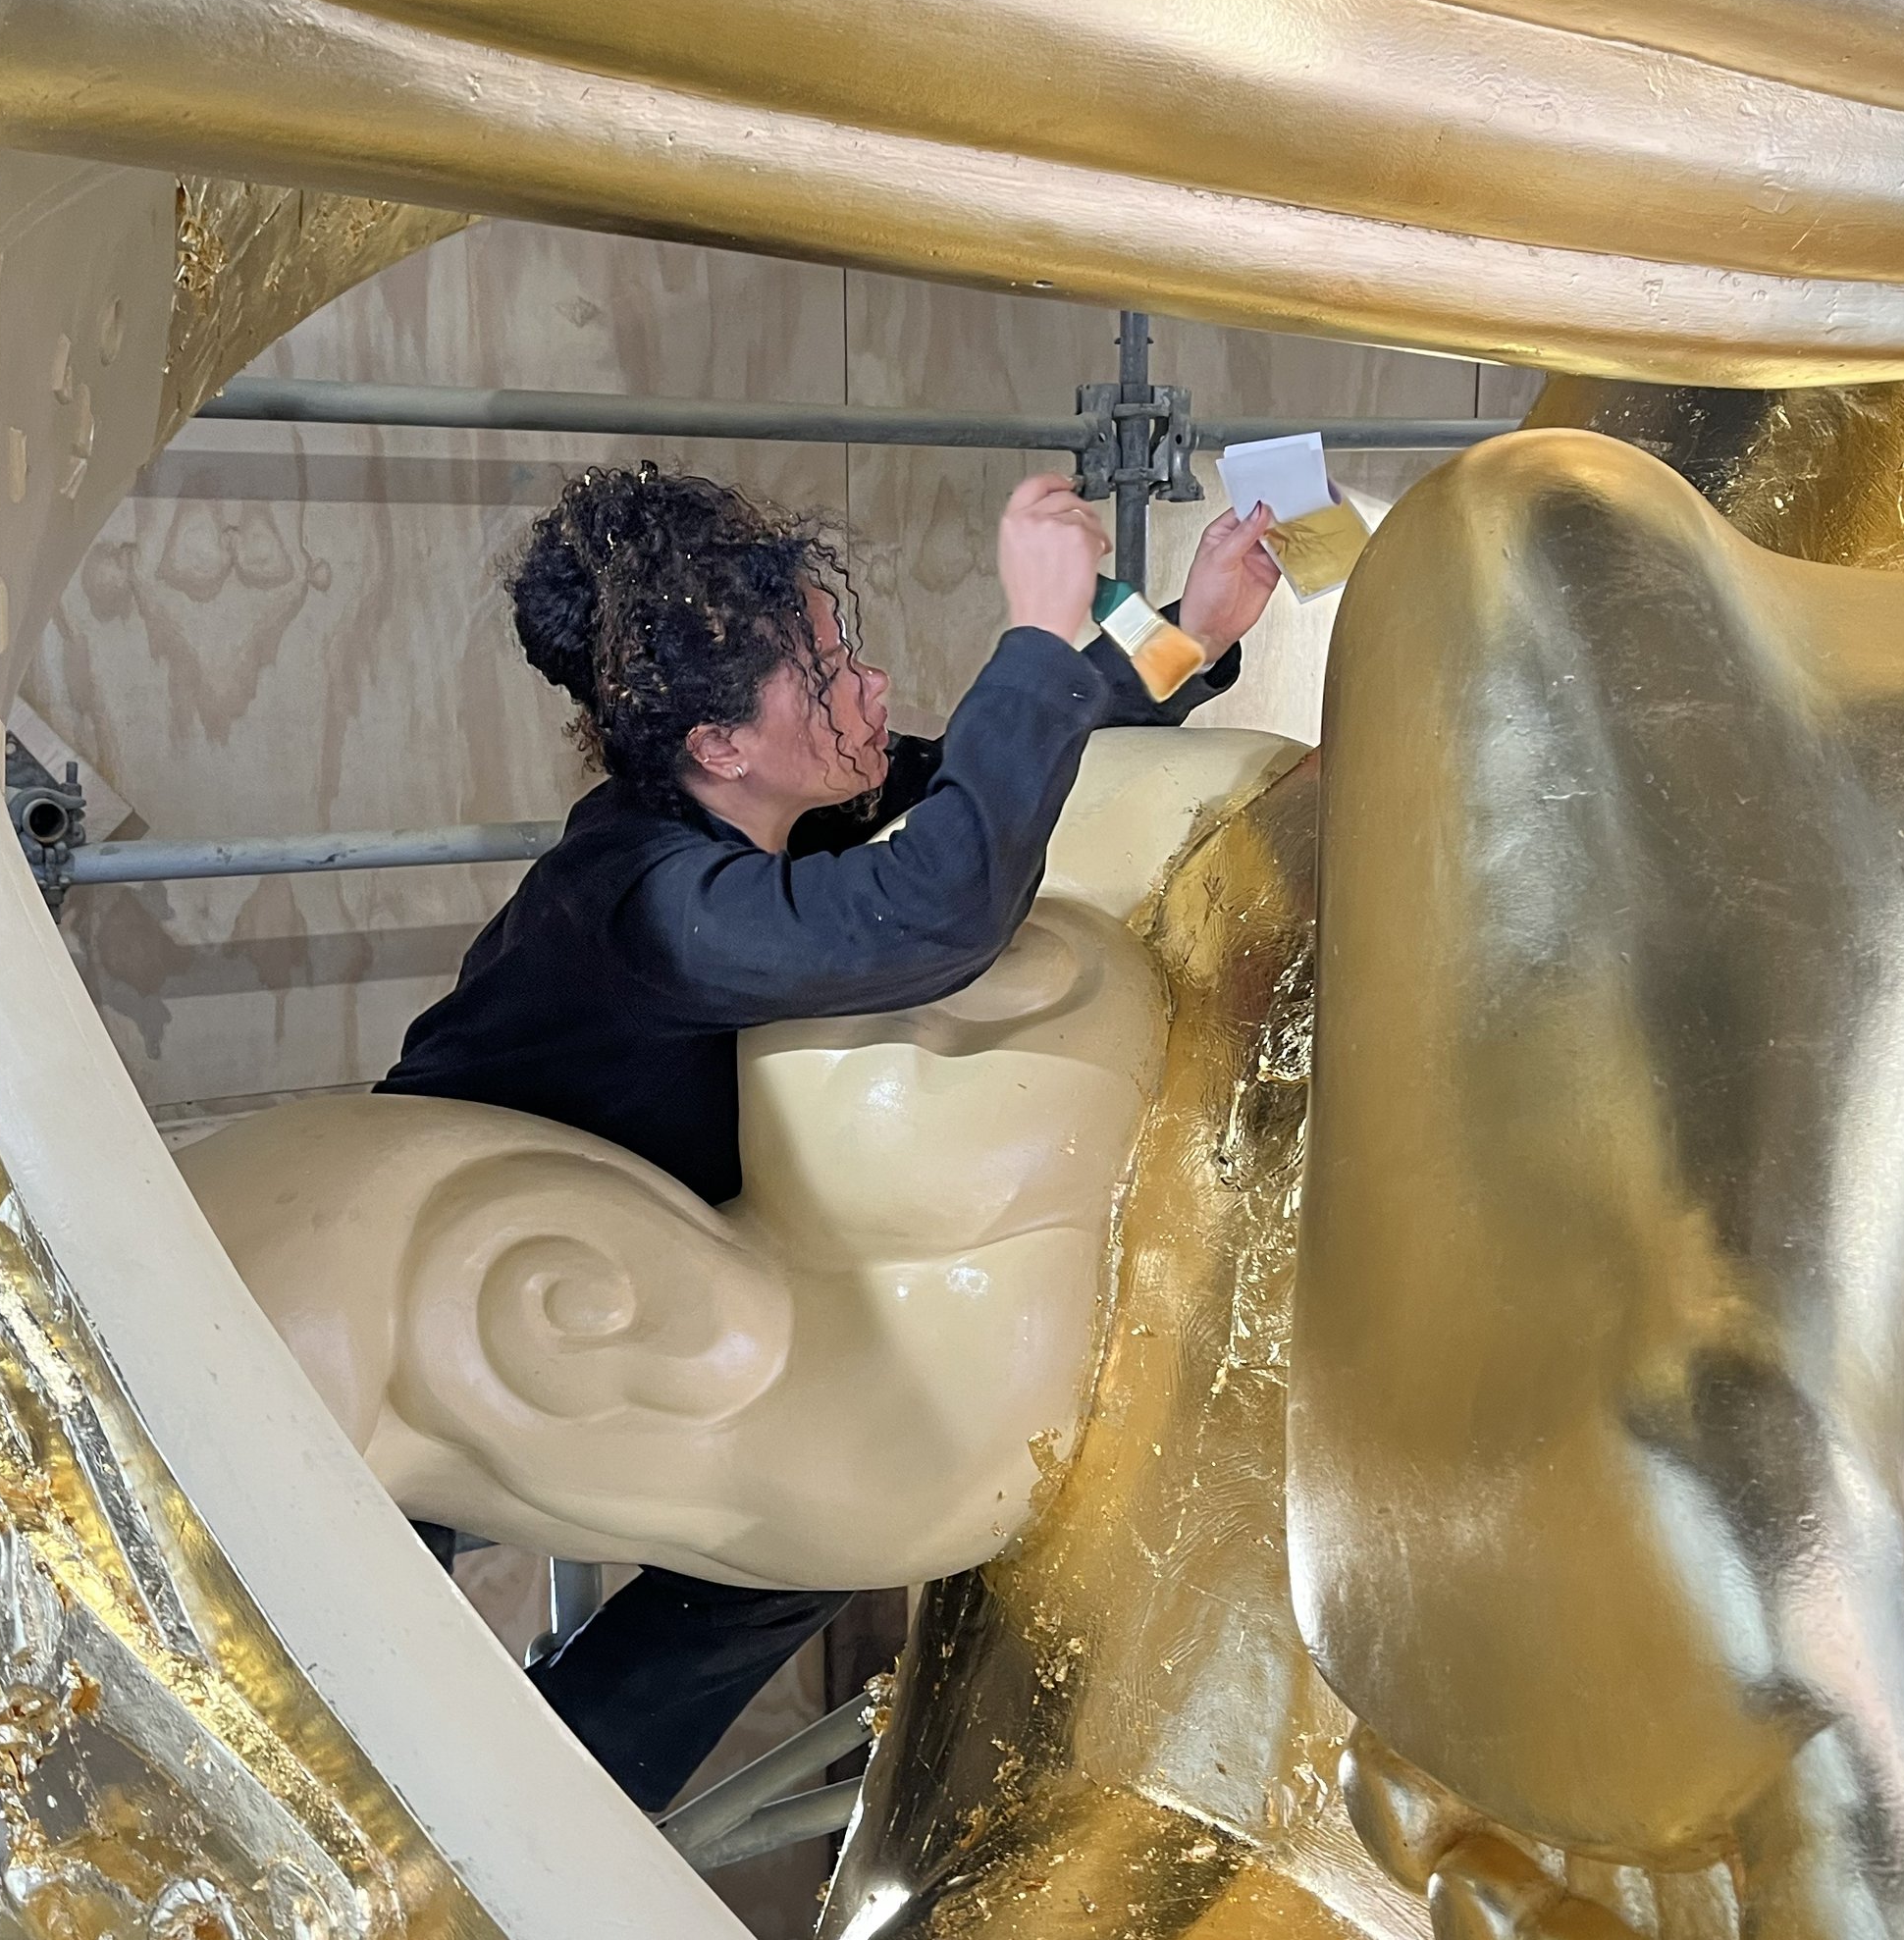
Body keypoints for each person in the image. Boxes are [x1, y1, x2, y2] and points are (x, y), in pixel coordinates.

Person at [382, 462, 1280, 1806]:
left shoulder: (782, 806)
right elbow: (937, 906)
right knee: (360, 1658)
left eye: (847, 653)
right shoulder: (651, 898)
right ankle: (504, 1829)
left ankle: (558, 1795)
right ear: (719, 745)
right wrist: (1029, 631)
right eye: (826, 675)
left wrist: (1192, 624)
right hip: (436, 1284)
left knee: (816, 1533)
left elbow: (1021, 769)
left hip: (641, 1263)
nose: (869, 690)